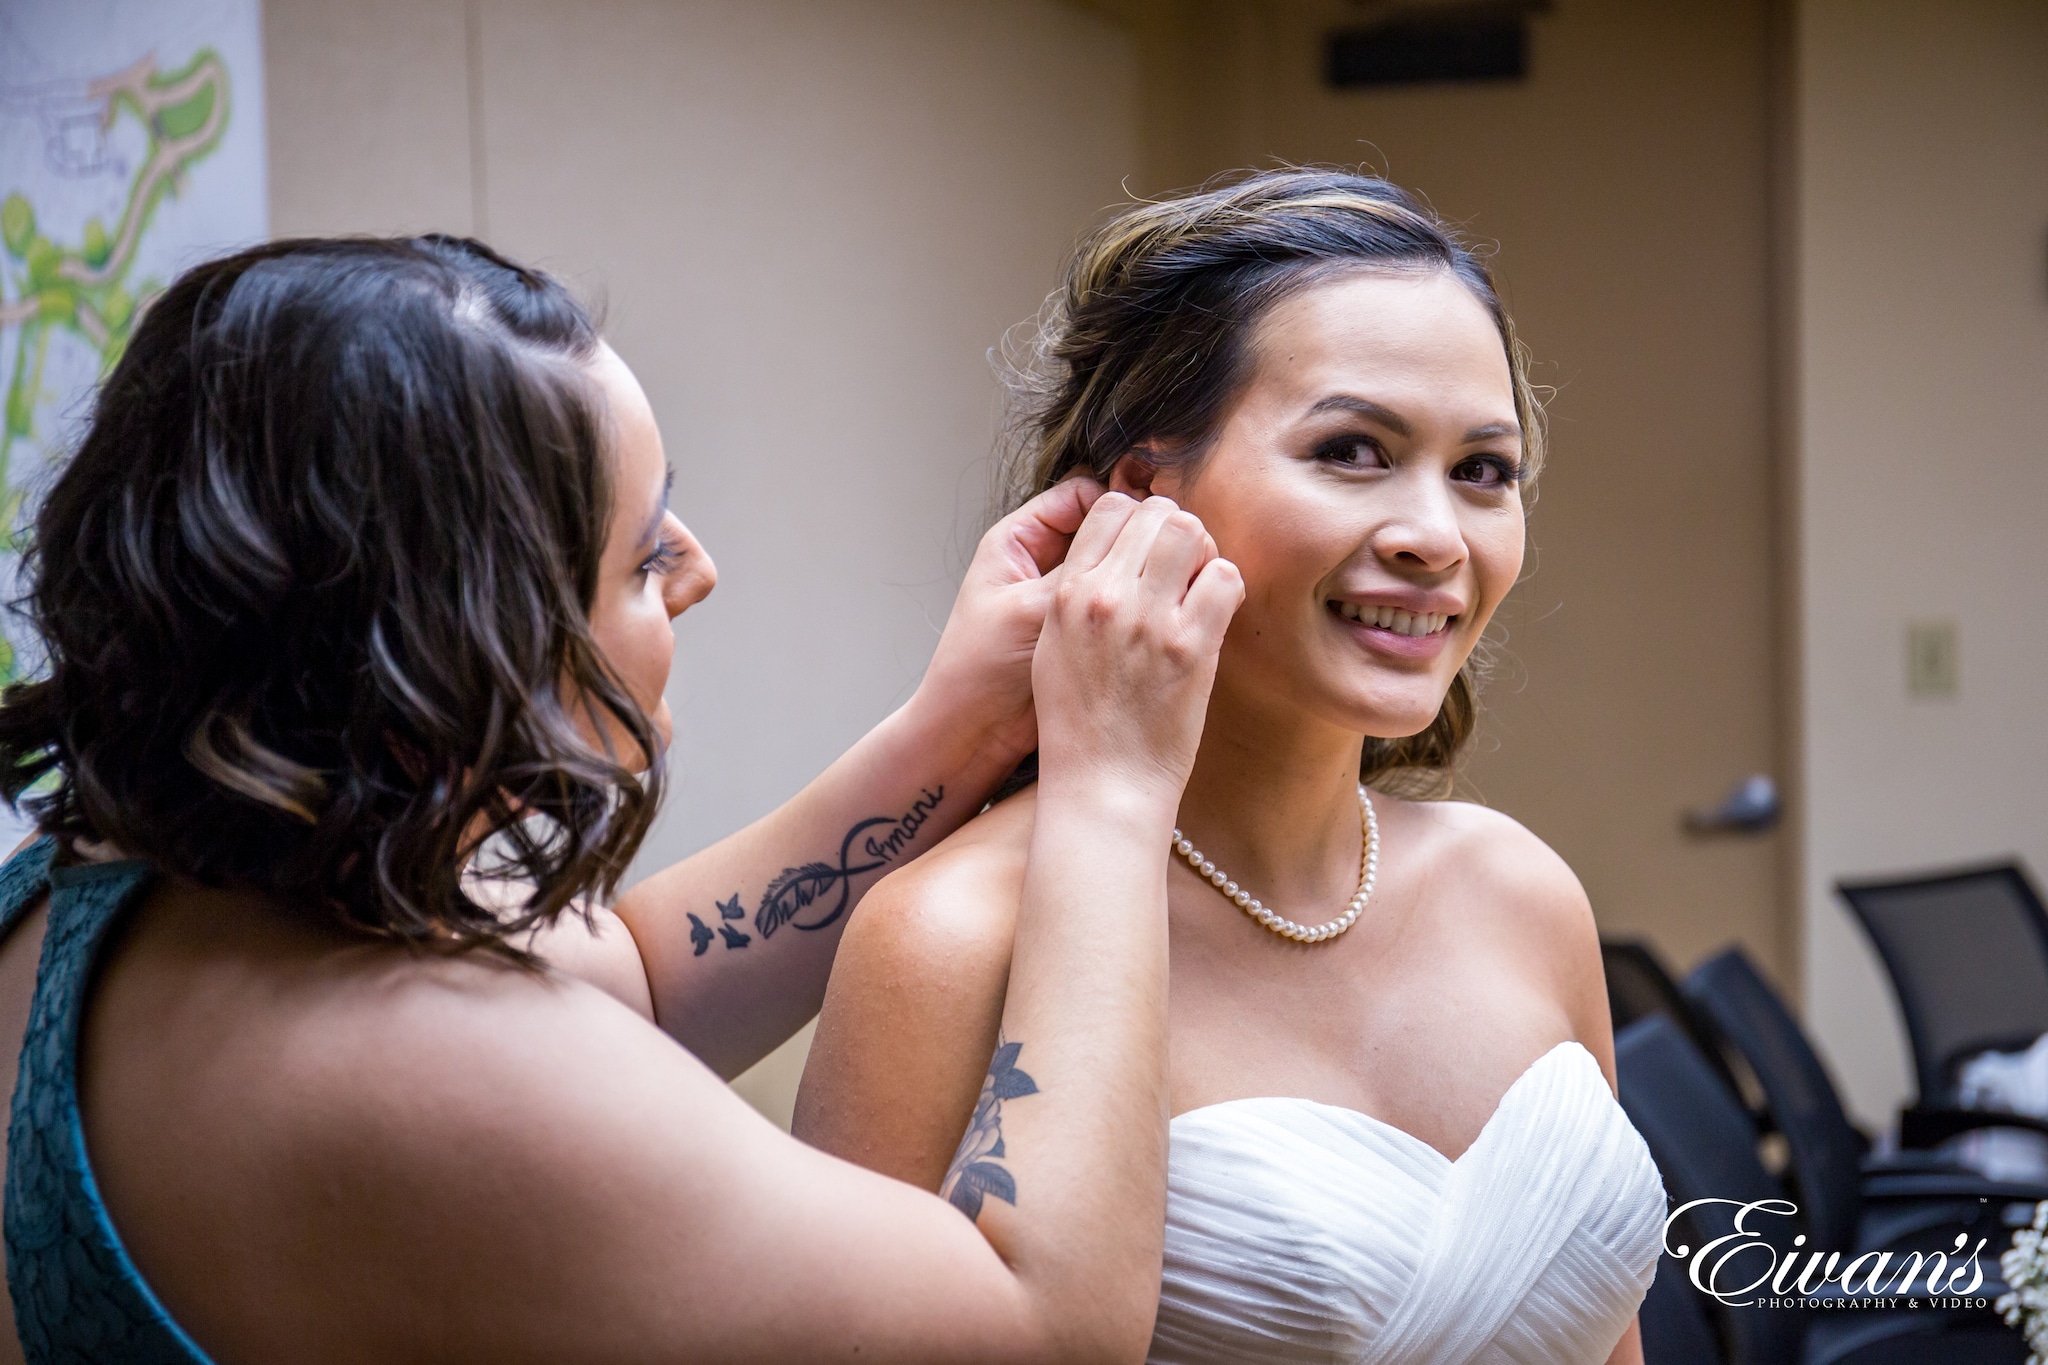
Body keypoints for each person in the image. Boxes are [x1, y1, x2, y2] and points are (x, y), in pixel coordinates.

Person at [0, 234, 1241, 1363]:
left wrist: (954, 732)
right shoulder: (440, 1070)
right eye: (643, 554)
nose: (699, 569)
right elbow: (1045, 1330)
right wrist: (1112, 787)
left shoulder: (102, 891)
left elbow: (634, 981)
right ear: (462, 639)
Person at [794, 169, 1666, 1365]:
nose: (1436, 536)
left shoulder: (1520, 893)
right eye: (1353, 449)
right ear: (1148, 496)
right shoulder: (951, 941)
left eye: (1482, 470)